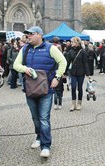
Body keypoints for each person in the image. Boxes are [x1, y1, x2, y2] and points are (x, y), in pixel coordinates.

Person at [13, 26, 67, 158]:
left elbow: (63, 62)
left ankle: (46, 145)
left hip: (46, 90)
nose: (28, 37)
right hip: (30, 89)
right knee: (35, 118)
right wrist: (25, 69)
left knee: (43, 118)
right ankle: (38, 136)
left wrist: (57, 77)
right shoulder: (25, 49)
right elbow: (16, 65)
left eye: (30, 34)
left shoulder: (51, 48)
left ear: (39, 35)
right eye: (27, 35)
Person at [64, 36, 90, 111]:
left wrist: (88, 74)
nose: (71, 43)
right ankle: (73, 103)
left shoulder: (83, 51)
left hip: (81, 72)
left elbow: (85, 63)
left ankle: (79, 103)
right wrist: (64, 72)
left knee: (79, 88)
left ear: (77, 42)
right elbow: (68, 63)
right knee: (73, 87)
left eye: (73, 42)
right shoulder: (70, 52)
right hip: (73, 72)